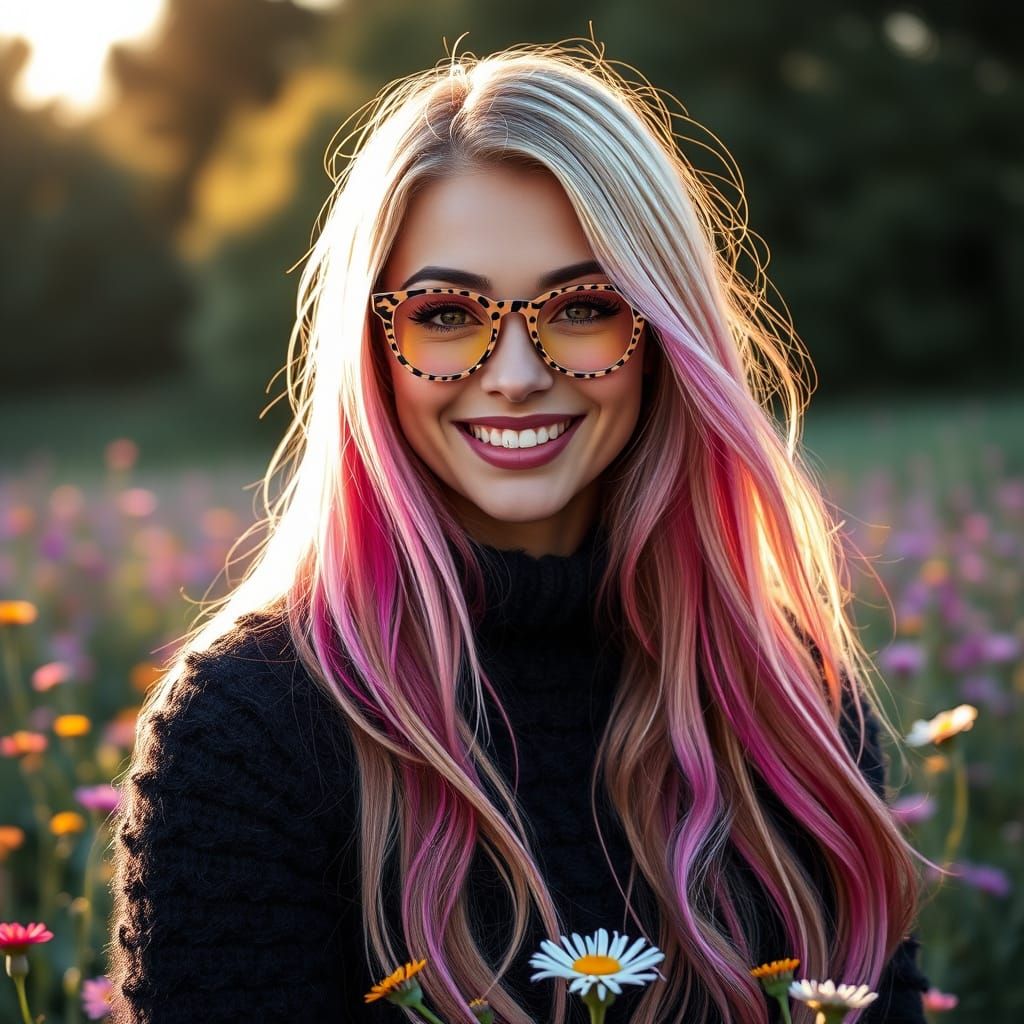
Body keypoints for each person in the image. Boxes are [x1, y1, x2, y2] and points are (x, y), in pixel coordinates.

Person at [105, 37, 933, 1024]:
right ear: (372, 348)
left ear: (663, 333)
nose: (513, 372)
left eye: (581, 306)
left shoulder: (787, 694)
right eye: (446, 312)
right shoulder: (248, 729)